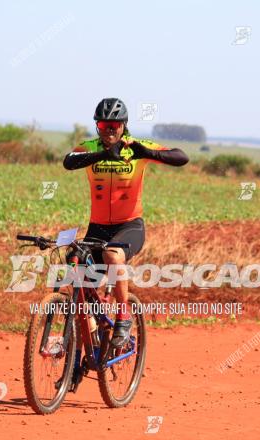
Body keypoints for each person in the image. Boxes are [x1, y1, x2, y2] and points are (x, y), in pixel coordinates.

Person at [63, 98, 188, 346]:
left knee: (113, 256)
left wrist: (147, 152)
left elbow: (181, 157)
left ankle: (123, 316)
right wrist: (102, 154)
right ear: (97, 125)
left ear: (124, 125)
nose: (110, 129)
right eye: (104, 124)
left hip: (129, 226)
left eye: (115, 125)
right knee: (74, 268)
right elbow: (68, 161)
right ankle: (85, 347)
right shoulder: (88, 148)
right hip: (97, 227)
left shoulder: (135, 147)